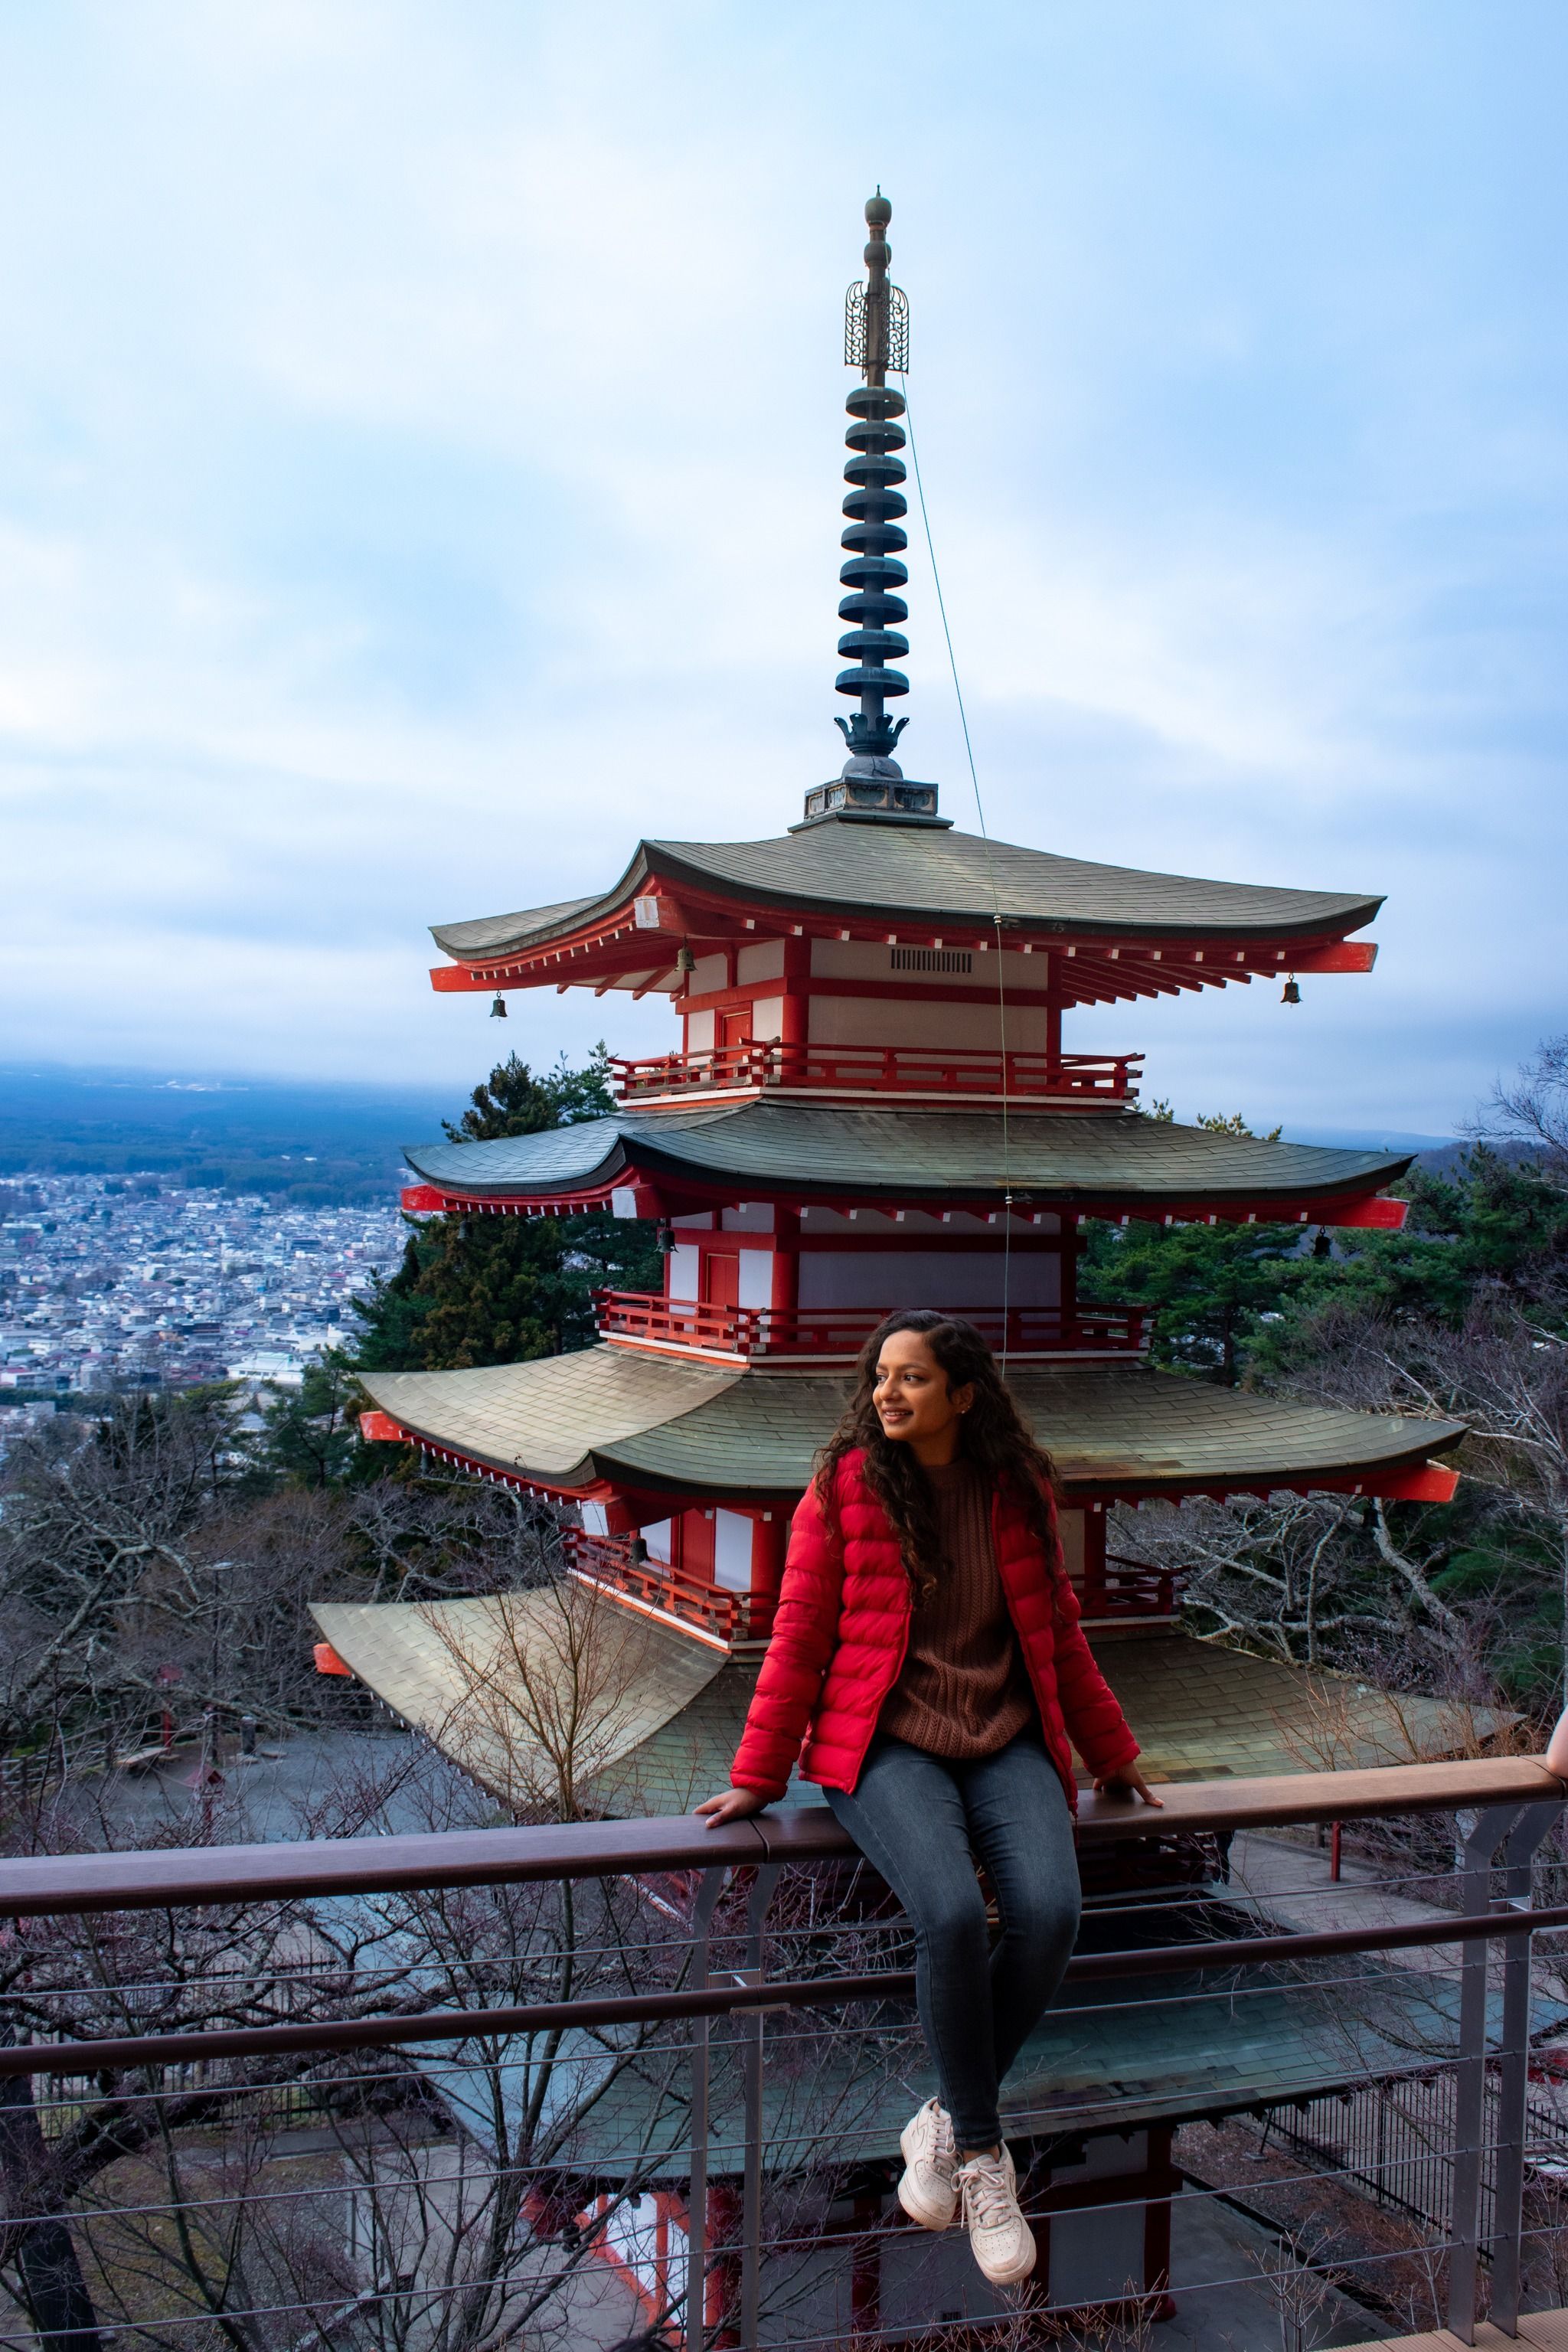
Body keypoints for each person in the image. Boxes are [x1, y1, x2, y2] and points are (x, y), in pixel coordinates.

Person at [697, 1310, 1159, 2287]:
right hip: (882, 1740)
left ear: (962, 1393)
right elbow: (798, 1633)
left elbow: (1058, 1630)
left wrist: (1110, 1751)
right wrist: (758, 1774)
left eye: (909, 1377)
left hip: (1004, 1732)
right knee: (947, 1913)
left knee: (1050, 1912)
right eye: (879, 1376)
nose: (886, 1393)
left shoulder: (1016, 1489)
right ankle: (983, 2156)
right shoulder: (844, 1489)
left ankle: (942, 2122)